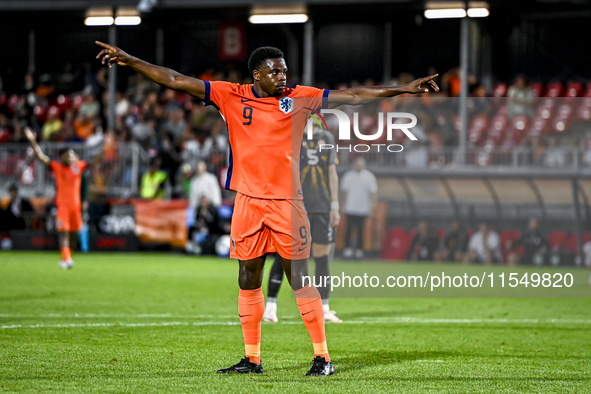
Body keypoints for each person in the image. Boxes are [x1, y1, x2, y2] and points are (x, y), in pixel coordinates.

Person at [96, 40, 438, 376]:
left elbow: (353, 97)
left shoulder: (300, 98)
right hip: (247, 201)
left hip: (287, 202)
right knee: (248, 278)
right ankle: (252, 359)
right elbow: (174, 79)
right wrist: (132, 60)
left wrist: (403, 88)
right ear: (256, 76)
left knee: (299, 279)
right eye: (275, 71)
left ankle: (323, 357)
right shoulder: (229, 94)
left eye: (284, 70)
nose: (282, 76)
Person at [263, 123, 342, 324]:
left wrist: (334, 205)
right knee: (284, 254)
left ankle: (324, 307)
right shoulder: (293, 136)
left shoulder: (327, 138)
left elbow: (332, 172)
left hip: (322, 206)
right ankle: (271, 306)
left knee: (322, 257)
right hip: (296, 205)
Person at [24, 127, 88, 269]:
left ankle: (66, 256)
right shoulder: (57, 166)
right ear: (62, 156)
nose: (71, 157)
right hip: (63, 206)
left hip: (76, 206)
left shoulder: (78, 167)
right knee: (63, 232)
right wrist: (33, 141)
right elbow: (40, 156)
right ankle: (67, 258)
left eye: (72, 155)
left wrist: (105, 147)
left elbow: (93, 162)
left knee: (73, 234)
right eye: (68, 155)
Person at [340, 157, 378, 260]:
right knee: (348, 229)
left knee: (361, 231)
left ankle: (359, 250)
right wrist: (341, 205)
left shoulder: (369, 177)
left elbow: (373, 193)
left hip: (363, 209)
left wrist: (372, 207)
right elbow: (344, 192)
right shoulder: (348, 176)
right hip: (350, 208)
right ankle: (347, 249)